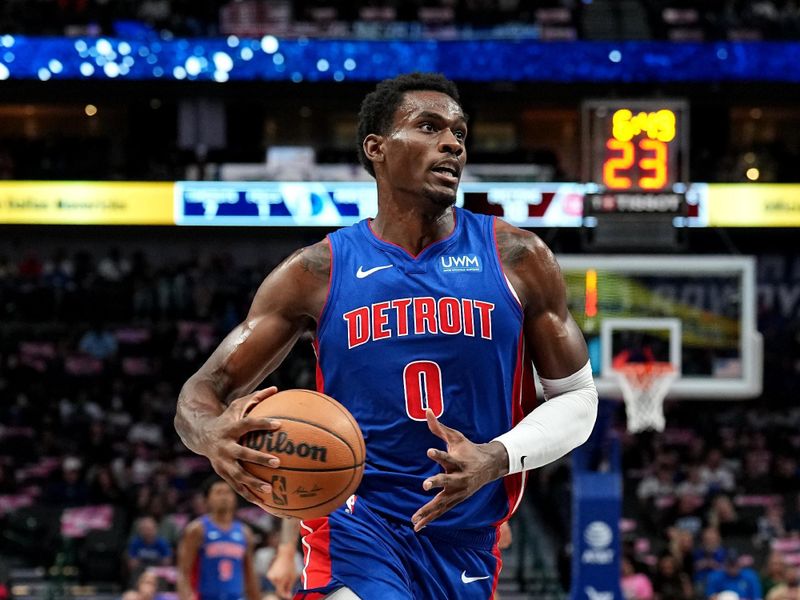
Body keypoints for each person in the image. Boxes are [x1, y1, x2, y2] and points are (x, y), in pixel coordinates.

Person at [175, 72, 598, 599]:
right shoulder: (318, 271)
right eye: (428, 127)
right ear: (376, 148)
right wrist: (210, 434)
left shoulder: (519, 258)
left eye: (459, 134)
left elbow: (578, 400)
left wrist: (497, 456)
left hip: (466, 536)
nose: (452, 144)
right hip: (356, 522)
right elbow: (202, 391)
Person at [176, 477, 260, 600]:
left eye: (228, 492)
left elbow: (250, 574)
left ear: (235, 498)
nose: (224, 497)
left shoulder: (245, 532)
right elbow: (184, 571)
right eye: (218, 493)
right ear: (208, 499)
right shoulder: (197, 529)